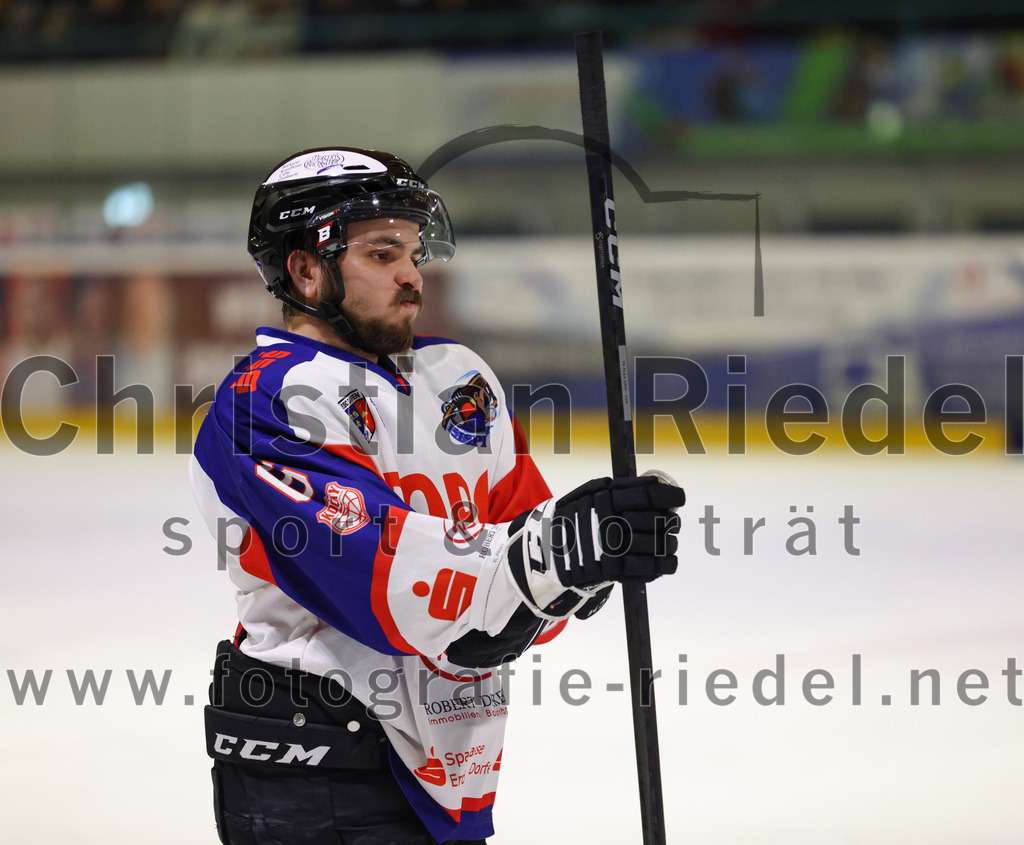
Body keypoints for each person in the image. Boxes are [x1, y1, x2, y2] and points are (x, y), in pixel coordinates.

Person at [189, 146, 685, 845]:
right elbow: (383, 581)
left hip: (448, 766)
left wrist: (596, 548)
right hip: (317, 769)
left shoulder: (459, 378)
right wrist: (561, 552)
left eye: (414, 253)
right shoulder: (265, 402)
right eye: (382, 254)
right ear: (304, 270)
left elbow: (519, 577)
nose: (412, 276)